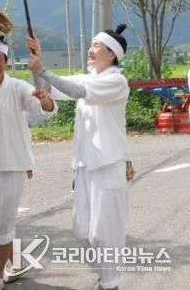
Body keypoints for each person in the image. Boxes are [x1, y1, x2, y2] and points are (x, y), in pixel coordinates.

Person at [27, 24, 130, 290]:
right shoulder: (86, 78)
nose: (90, 49)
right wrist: (38, 62)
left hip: (108, 164)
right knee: (82, 229)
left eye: (96, 45)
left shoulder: (116, 81)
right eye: (92, 44)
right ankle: (105, 277)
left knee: (103, 232)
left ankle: (111, 283)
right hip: (84, 165)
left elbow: (77, 92)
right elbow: (47, 89)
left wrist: (43, 69)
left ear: (112, 53)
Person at [0, 36, 56, 290]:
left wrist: (46, 100)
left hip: (12, 163)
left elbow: (44, 109)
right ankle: (16, 261)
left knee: (1, 221)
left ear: (6, 61)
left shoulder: (18, 87)